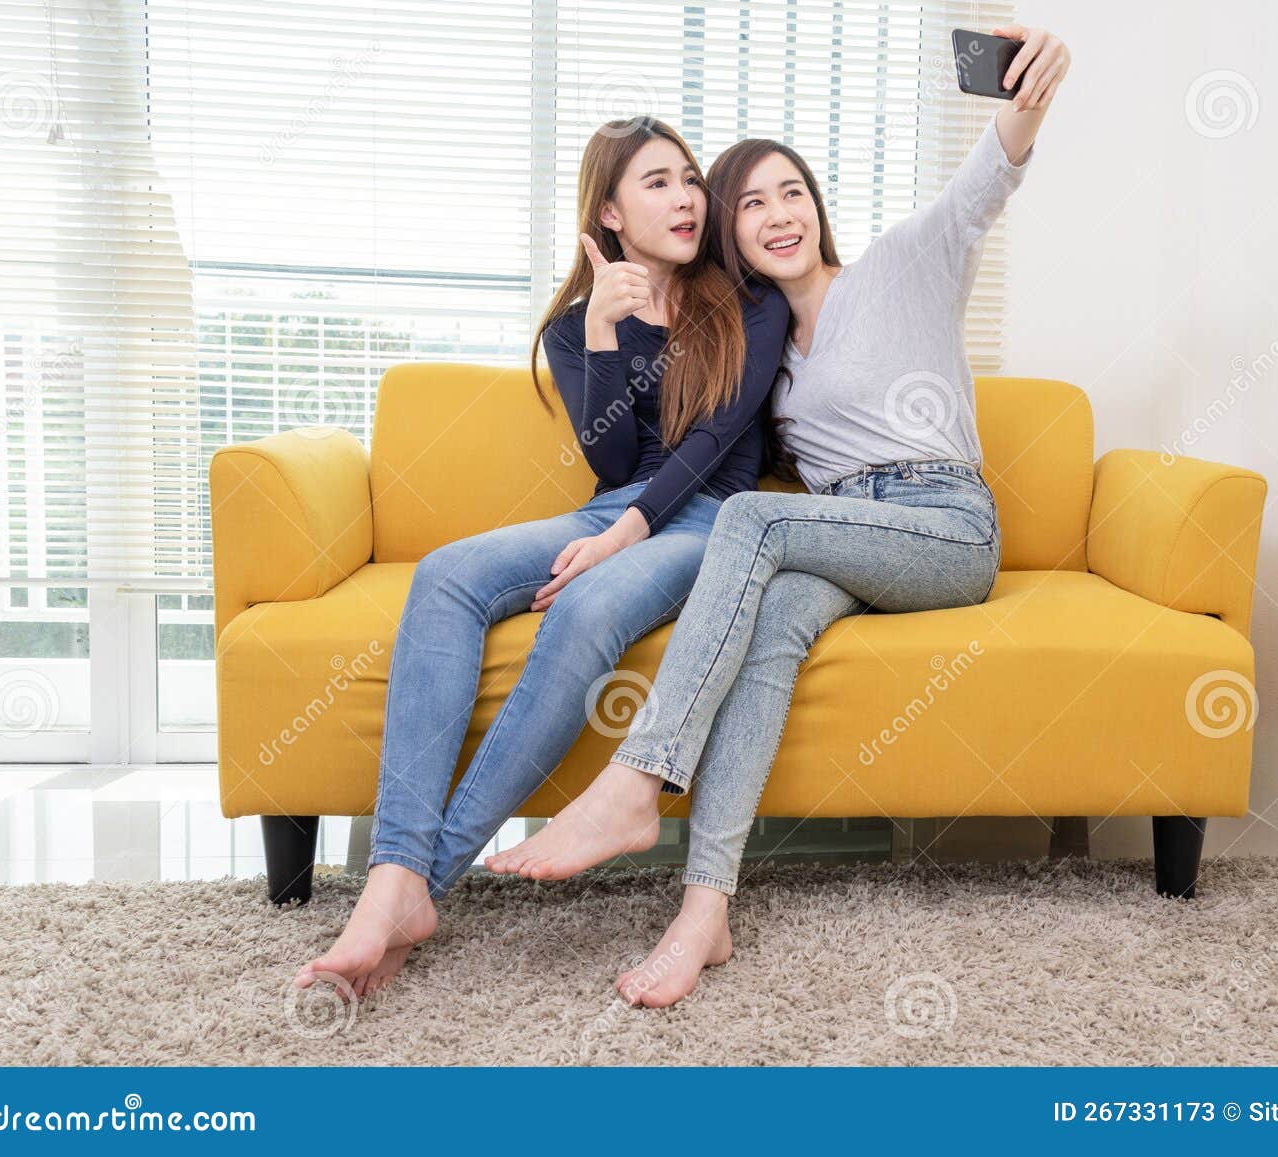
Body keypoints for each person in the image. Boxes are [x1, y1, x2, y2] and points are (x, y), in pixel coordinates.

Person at [491, 26, 1072, 1007]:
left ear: (817, 205)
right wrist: (607, 325)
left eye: (790, 191)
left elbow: (990, 174)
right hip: (849, 536)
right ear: (730, 233)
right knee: (770, 620)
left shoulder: (901, 264)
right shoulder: (764, 356)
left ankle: (637, 784)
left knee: (752, 522)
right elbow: (661, 447)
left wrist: (1028, 85)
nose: (776, 213)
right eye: (749, 202)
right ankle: (702, 912)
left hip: (946, 525)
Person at [294, 115, 789, 999]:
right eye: (655, 182)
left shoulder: (751, 299)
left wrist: (619, 538)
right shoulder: (573, 326)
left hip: (714, 519)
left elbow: (713, 445)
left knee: (588, 605)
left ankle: (416, 883)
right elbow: (611, 463)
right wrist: (604, 333)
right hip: (614, 508)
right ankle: (395, 874)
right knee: (444, 572)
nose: (685, 197)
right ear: (609, 211)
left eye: (687, 177)